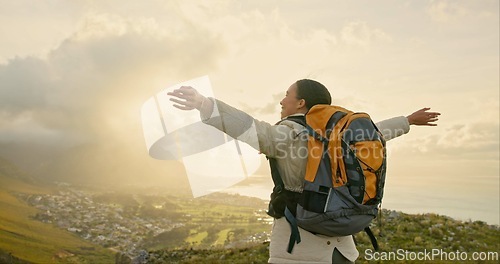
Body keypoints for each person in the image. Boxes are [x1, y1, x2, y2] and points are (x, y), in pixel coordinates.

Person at [168, 79, 440, 263]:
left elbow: (258, 132)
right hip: (343, 248)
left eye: (287, 95)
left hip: (298, 251)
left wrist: (206, 105)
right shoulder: (340, 133)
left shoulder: (290, 131)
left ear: (301, 103)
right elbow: (378, 133)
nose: (281, 101)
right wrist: (407, 121)